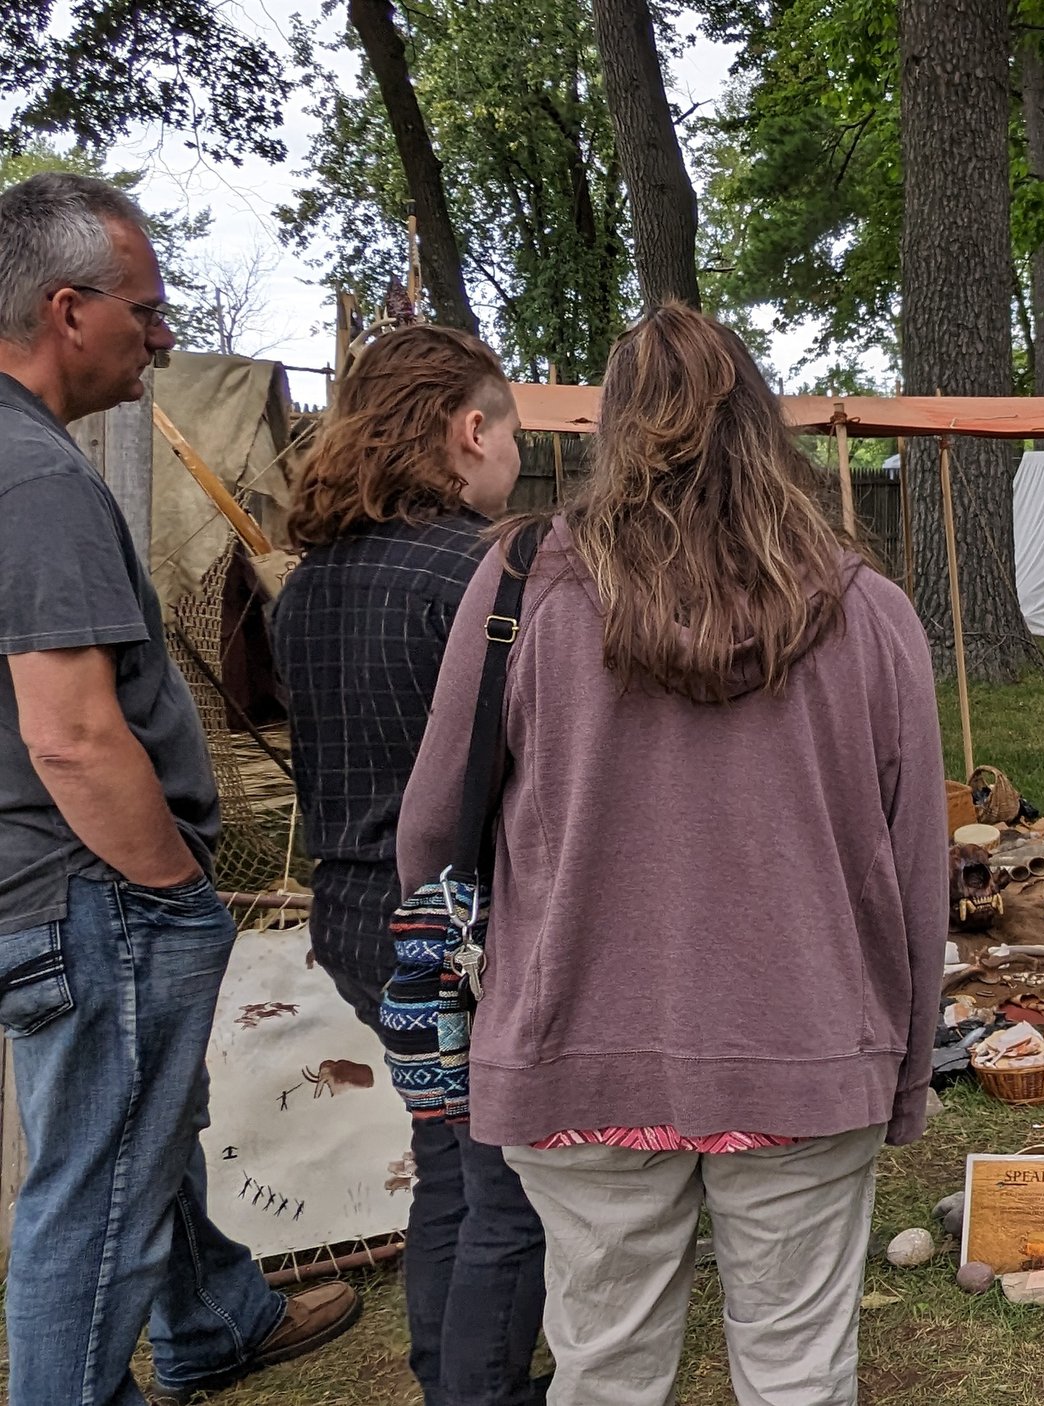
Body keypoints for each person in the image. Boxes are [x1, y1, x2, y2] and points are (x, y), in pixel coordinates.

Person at [397, 304, 947, 1406]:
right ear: (762, 424)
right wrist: (908, 1065)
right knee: (797, 1372)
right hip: (806, 1047)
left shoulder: (523, 591)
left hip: (579, 1050)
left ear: (613, 428)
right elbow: (920, 866)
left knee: (605, 1370)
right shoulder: (868, 609)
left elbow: (429, 832)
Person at [0, 172, 362, 1403]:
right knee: (93, 1188)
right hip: (90, 887)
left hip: (47, 882)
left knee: (141, 1118)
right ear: (67, 310)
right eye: (145, 309)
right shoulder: (37, 482)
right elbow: (72, 736)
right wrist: (171, 890)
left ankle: (213, 1313)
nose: (162, 334)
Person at [270, 324, 545, 1406]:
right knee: (505, 1184)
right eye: (512, 428)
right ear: (469, 431)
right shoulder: (490, 569)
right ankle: (477, 1389)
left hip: (351, 912)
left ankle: (447, 1370)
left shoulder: (308, 584)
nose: (515, 451)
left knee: (448, 1158)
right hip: (460, 922)